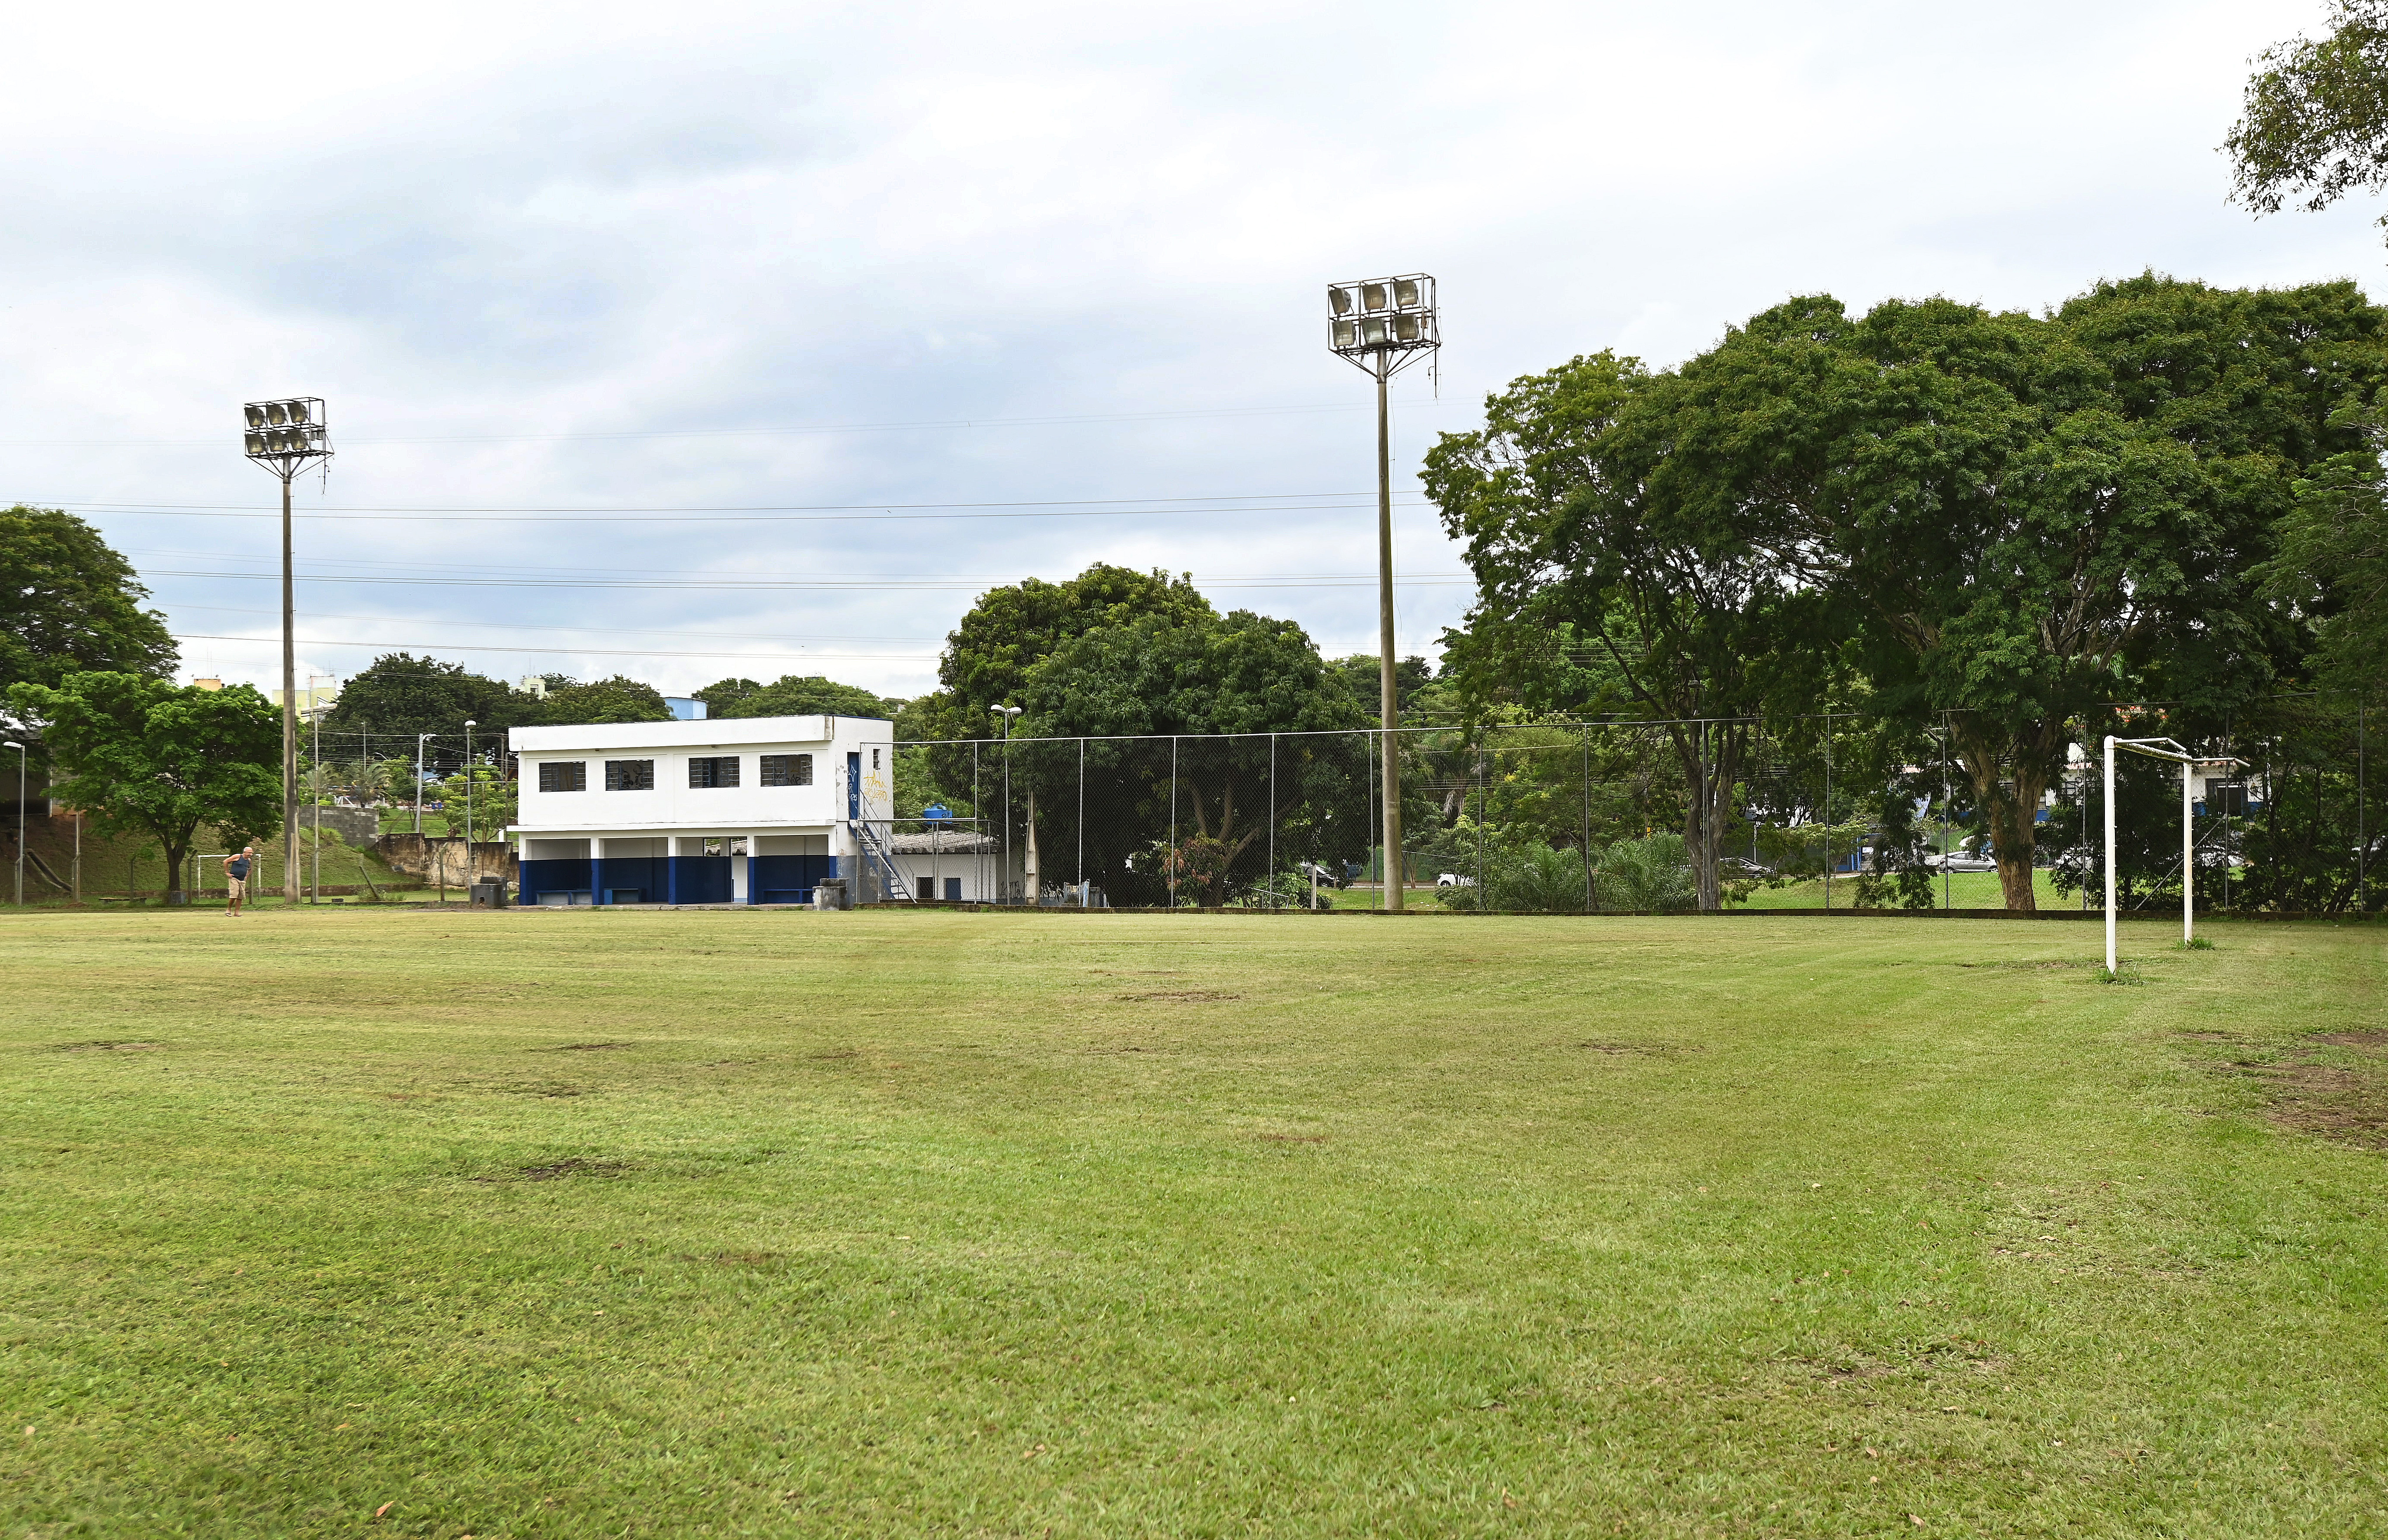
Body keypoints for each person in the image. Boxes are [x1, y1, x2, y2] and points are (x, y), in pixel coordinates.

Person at [223, 845, 257, 916]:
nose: (251, 854)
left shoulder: (249, 861)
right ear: (245, 852)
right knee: (234, 895)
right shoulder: (238, 857)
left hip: (242, 880)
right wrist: (227, 873)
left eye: (251, 853)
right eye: (249, 853)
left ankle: (237, 912)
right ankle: (229, 910)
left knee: (241, 896)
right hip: (234, 878)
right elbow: (226, 862)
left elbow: (250, 869)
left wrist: (247, 876)